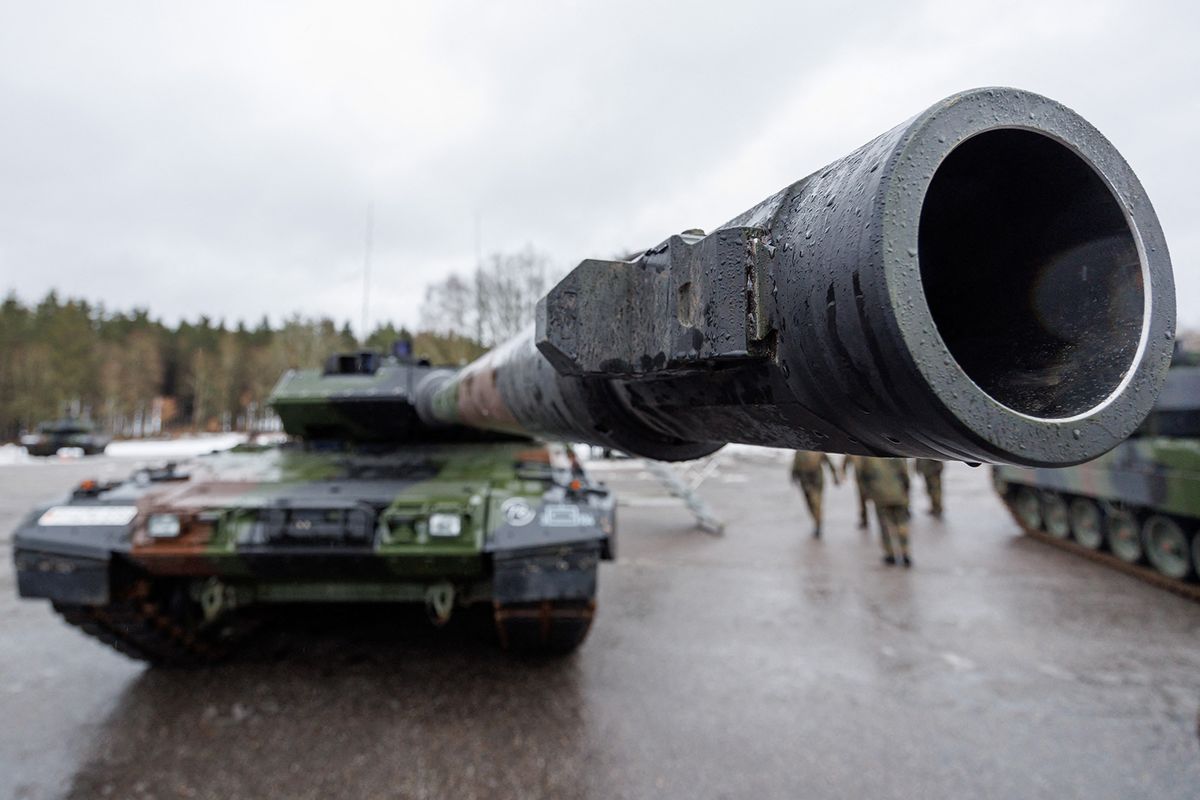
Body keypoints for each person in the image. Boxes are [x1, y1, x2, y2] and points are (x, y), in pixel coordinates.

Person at [859, 457, 912, 566]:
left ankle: (890, 554)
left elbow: (862, 476)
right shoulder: (895, 454)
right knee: (902, 524)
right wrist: (905, 492)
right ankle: (905, 552)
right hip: (898, 494)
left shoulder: (868, 457)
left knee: (885, 526)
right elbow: (904, 475)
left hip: (880, 496)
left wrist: (868, 493)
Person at [790, 450, 840, 538]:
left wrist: (835, 476)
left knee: (816, 503)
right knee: (809, 504)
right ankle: (816, 521)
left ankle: (818, 526)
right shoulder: (799, 451)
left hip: (817, 482)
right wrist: (793, 477)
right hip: (804, 482)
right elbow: (795, 465)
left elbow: (828, 462)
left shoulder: (818, 449)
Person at [839, 454, 870, 529]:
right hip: (861, 481)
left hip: (872, 480)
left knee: (877, 500)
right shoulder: (855, 450)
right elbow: (845, 461)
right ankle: (864, 520)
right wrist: (843, 472)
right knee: (862, 500)